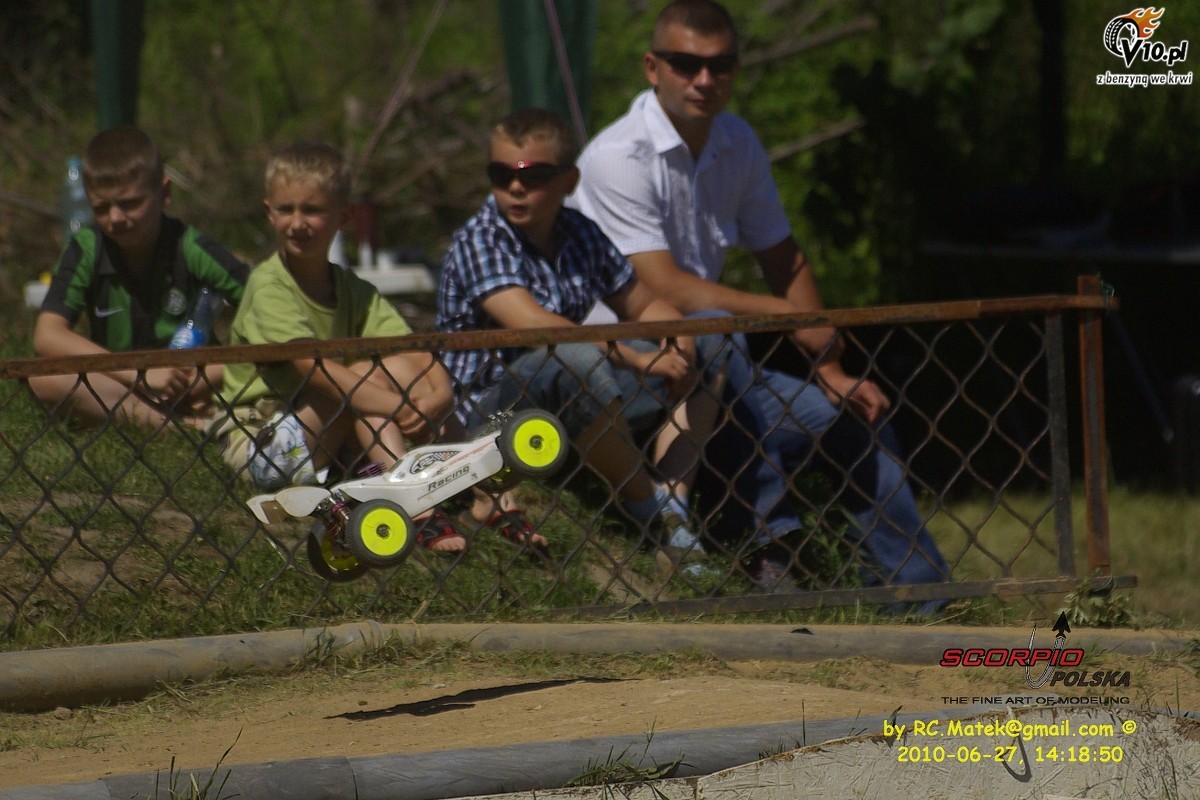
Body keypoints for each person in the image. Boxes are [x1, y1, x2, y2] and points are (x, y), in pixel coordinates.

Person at [569, 0, 950, 601]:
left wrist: (830, 366)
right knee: (717, 331)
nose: (704, 79)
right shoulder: (618, 157)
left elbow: (782, 255)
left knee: (854, 419)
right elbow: (663, 289)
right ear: (652, 67)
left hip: (718, 364)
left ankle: (921, 598)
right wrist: (793, 318)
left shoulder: (737, 141)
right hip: (625, 365)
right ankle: (764, 549)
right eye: (686, 64)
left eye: (720, 66)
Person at [436, 107, 718, 571]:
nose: (515, 186)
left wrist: (677, 336)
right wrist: (639, 360)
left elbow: (643, 304)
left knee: (714, 336)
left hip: (566, 399)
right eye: (501, 174)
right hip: (488, 416)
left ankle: (674, 497)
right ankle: (648, 509)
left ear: (569, 181)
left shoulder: (579, 231)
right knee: (574, 357)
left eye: (533, 175)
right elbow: (537, 329)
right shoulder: (480, 240)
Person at [217, 141, 464, 552]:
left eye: (312, 210)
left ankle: (479, 487)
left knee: (394, 368)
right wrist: (401, 407)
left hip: (322, 433)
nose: (298, 223)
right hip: (262, 445)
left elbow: (411, 348)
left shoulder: (351, 289)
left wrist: (441, 393)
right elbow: (313, 369)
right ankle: (413, 500)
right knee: (366, 381)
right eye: (286, 209)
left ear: (344, 216)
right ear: (269, 212)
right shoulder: (269, 285)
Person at [31, 126, 249, 430]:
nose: (116, 218)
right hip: (122, 383)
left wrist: (206, 375)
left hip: (193, 382)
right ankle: (187, 427)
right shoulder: (86, 248)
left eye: (130, 203)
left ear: (164, 193)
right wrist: (139, 374)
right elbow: (47, 335)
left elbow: (267, 308)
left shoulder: (191, 247)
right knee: (43, 379)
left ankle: (160, 421)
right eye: (101, 208)